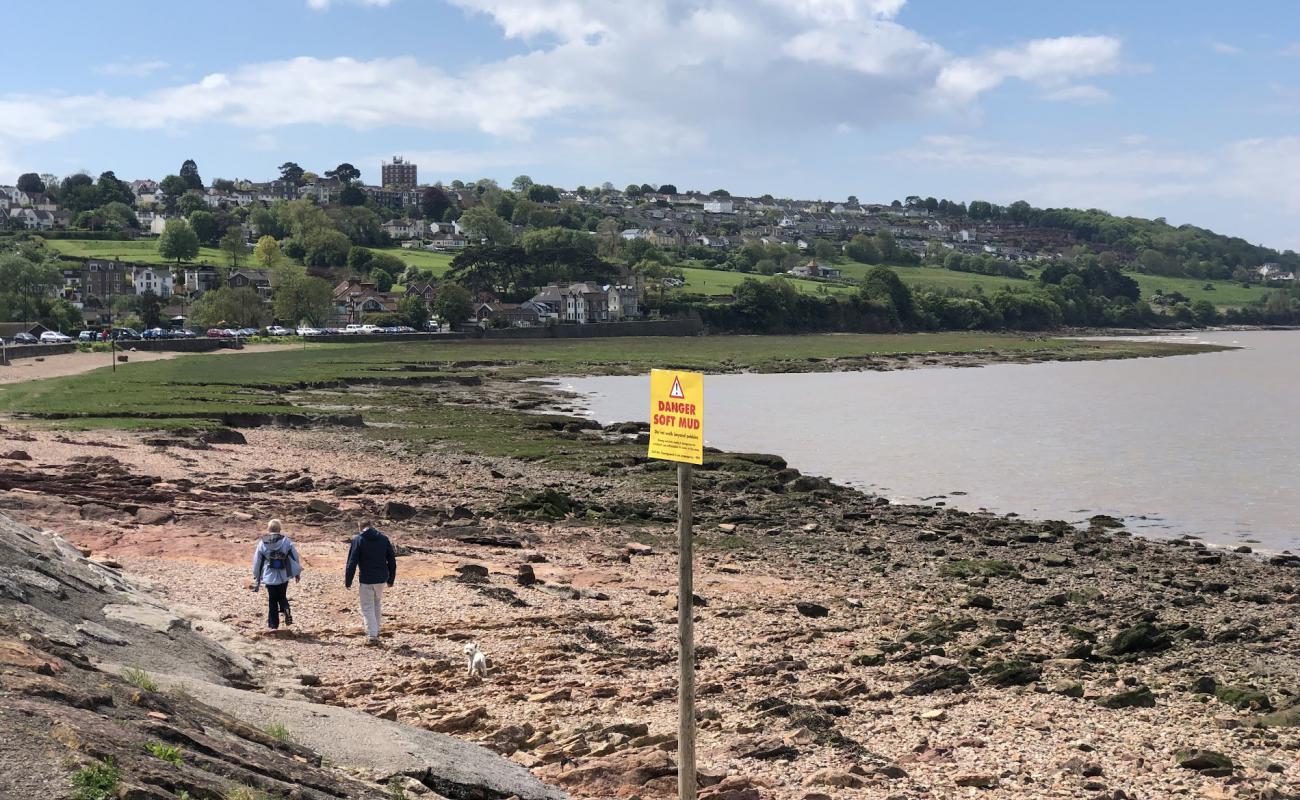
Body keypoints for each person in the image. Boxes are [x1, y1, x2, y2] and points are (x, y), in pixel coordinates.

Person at [344, 523, 397, 645]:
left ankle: (372, 635)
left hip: (367, 578)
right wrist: (391, 579)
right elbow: (392, 560)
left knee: (367, 607)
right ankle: (375, 631)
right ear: (372, 526)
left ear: (360, 527)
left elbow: (352, 562)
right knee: (376, 603)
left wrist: (348, 580)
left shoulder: (358, 540)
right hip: (381, 578)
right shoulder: (383, 538)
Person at [251, 519, 302, 631]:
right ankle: (286, 608)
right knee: (282, 595)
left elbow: (257, 560)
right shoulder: (286, 541)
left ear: (269, 529)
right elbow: (294, 556)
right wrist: (297, 572)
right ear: (280, 529)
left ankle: (273, 625)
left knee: (272, 600)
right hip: (283, 575)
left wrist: (257, 575)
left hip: (269, 575)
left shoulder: (262, 542)